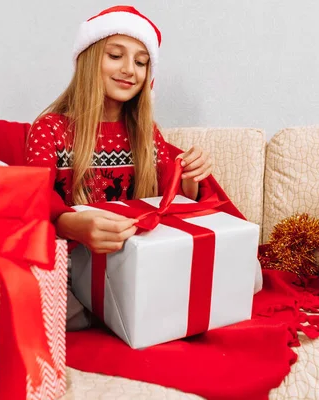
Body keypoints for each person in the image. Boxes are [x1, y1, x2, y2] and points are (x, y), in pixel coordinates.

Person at [25, 5, 213, 329]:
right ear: (89, 59)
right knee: (46, 301)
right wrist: (72, 225)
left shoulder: (146, 132)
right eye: (115, 56)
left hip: (136, 257)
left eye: (141, 62)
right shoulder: (51, 128)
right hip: (75, 261)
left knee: (244, 276)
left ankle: (129, 310)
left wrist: (190, 178)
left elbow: (168, 204)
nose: (129, 69)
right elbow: (32, 199)